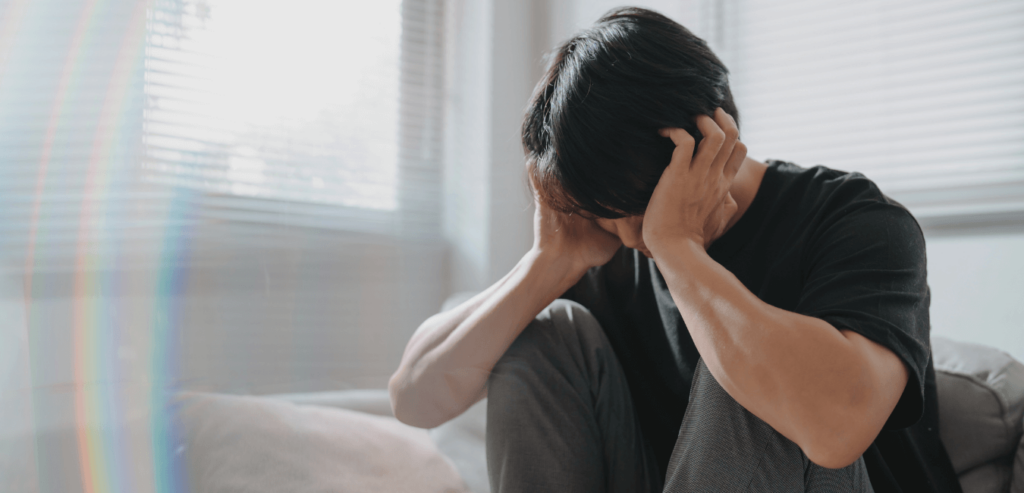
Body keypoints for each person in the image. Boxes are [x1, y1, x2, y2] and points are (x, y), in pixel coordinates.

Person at [389, 7, 961, 492]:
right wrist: (547, 263)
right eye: (610, 219)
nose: (633, 240)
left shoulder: (855, 219)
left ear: (713, 140)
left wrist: (679, 248)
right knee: (542, 332)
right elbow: (414, 399)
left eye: (639, 213)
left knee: (749, 359)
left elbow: (839, 426)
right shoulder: (607, 240)